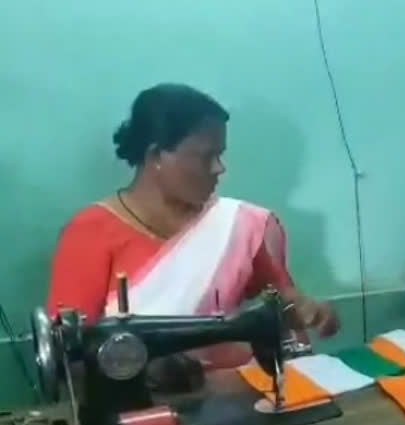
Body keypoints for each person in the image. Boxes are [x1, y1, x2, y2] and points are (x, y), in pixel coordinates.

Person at [47, 83, 338, 388]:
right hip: (142, 409)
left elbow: (281, 304)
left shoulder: (233, 225)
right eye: (206, 156)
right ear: (156, 155)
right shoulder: (90, 232)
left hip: (236, 394)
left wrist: (308, 311)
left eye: (221, 155)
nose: (219, 168)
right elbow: (71, 357)